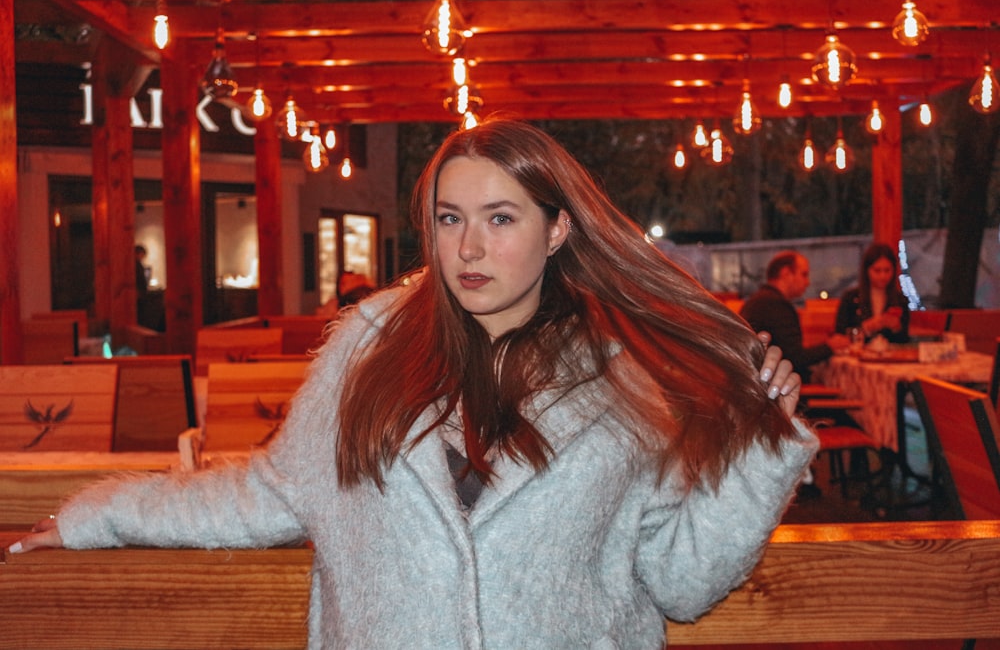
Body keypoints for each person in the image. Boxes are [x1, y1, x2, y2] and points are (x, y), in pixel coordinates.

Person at [10, 119, 816, 649]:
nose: (469, 245)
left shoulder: (624, 383)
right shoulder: (367, 351)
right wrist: (99, 515)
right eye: (448, 217)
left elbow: (681, 581)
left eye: (501, 218)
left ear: (558, 228)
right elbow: (267, 493)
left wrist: (765, 451)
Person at [740, 250, 850, 383]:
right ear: (786, 273)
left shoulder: (760, 299)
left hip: (755, 380)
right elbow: (795, 358)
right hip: (771, 387)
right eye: (804, 274)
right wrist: (830, 346)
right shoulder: (775, 304)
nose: (808, 282)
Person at [835, 242, 909, 344]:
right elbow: (840, 335)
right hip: (857, 355)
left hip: (890, 356)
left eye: (887, 270)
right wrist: (866, 328)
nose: (883, 276)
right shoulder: (850, 298)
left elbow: (904, 340)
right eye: (877, 271)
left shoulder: (900, 300)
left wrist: (896, 327)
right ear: (867, 270)